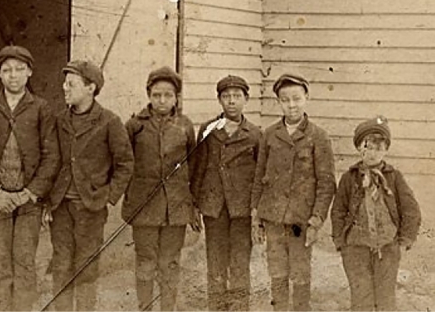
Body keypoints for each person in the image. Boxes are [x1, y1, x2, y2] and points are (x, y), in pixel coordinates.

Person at [0, 45, 60, 310]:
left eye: (20, 69)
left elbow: (51, 156)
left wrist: (30, 192)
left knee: (24, 261)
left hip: (29, 200)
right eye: (7, 70)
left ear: (30, 72)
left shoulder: (42, 108)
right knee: (0, 261)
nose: (14, 75)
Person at [47, 60, 134, 311]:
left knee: (86, 267)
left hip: (91, 208)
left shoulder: (109, 122)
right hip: (61, 207)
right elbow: (50, 161)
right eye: (65, 83)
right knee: (61, 266)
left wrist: (108, 196)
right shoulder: (59, 119)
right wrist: (47, 201)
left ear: (90, 88)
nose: (64, 88)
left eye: (71, 84)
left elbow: (126, 163)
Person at [250, 73, 335, 311]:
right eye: (285, 100)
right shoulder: (269, 135)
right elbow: (259, 178)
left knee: (299, 273)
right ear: (278, 102)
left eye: (296, 98)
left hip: (301, 221)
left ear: (306, 98)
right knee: (277, 272)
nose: (292, 105)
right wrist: (256, 217)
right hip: (273, 219)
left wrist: (316, 220)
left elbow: (327, 183)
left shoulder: (318, 137)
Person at [122, 66, 197, 311]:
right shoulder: (134, 125)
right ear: (148, 95)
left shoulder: (185, 126)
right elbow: (124, 163)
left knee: (170, 262)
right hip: (144, 208)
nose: (162, 100)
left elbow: (192, 167)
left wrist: (192, 205)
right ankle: (145, 307)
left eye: (167, 95)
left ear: (176, 97)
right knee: (145, 261)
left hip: (175, 208)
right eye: (156, 95)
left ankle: (168, 308)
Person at [331, 116, 421, 311]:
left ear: (386, 150)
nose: (372, 153)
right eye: (368, 147)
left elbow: (410, 209)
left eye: (378, 148)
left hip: (388, 247)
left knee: (385, 298)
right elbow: (338, 210)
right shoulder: (349, 178)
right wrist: (340, 241)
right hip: (356, 248)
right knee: (361, 298)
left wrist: (405, 240)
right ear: (358, 148)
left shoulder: (394, 177)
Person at [191, 75, 261, 311]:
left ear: (246, 99)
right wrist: (195, 204)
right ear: (219, 100)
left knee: (240, 264)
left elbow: (259, 176)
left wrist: (256, 209)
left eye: (237, 96)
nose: (232, 101)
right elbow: (198, 169)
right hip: (215, 207)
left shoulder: (255, 134)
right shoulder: (208, 130)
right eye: (226, 96)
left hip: (241, 210)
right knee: (216, 264)